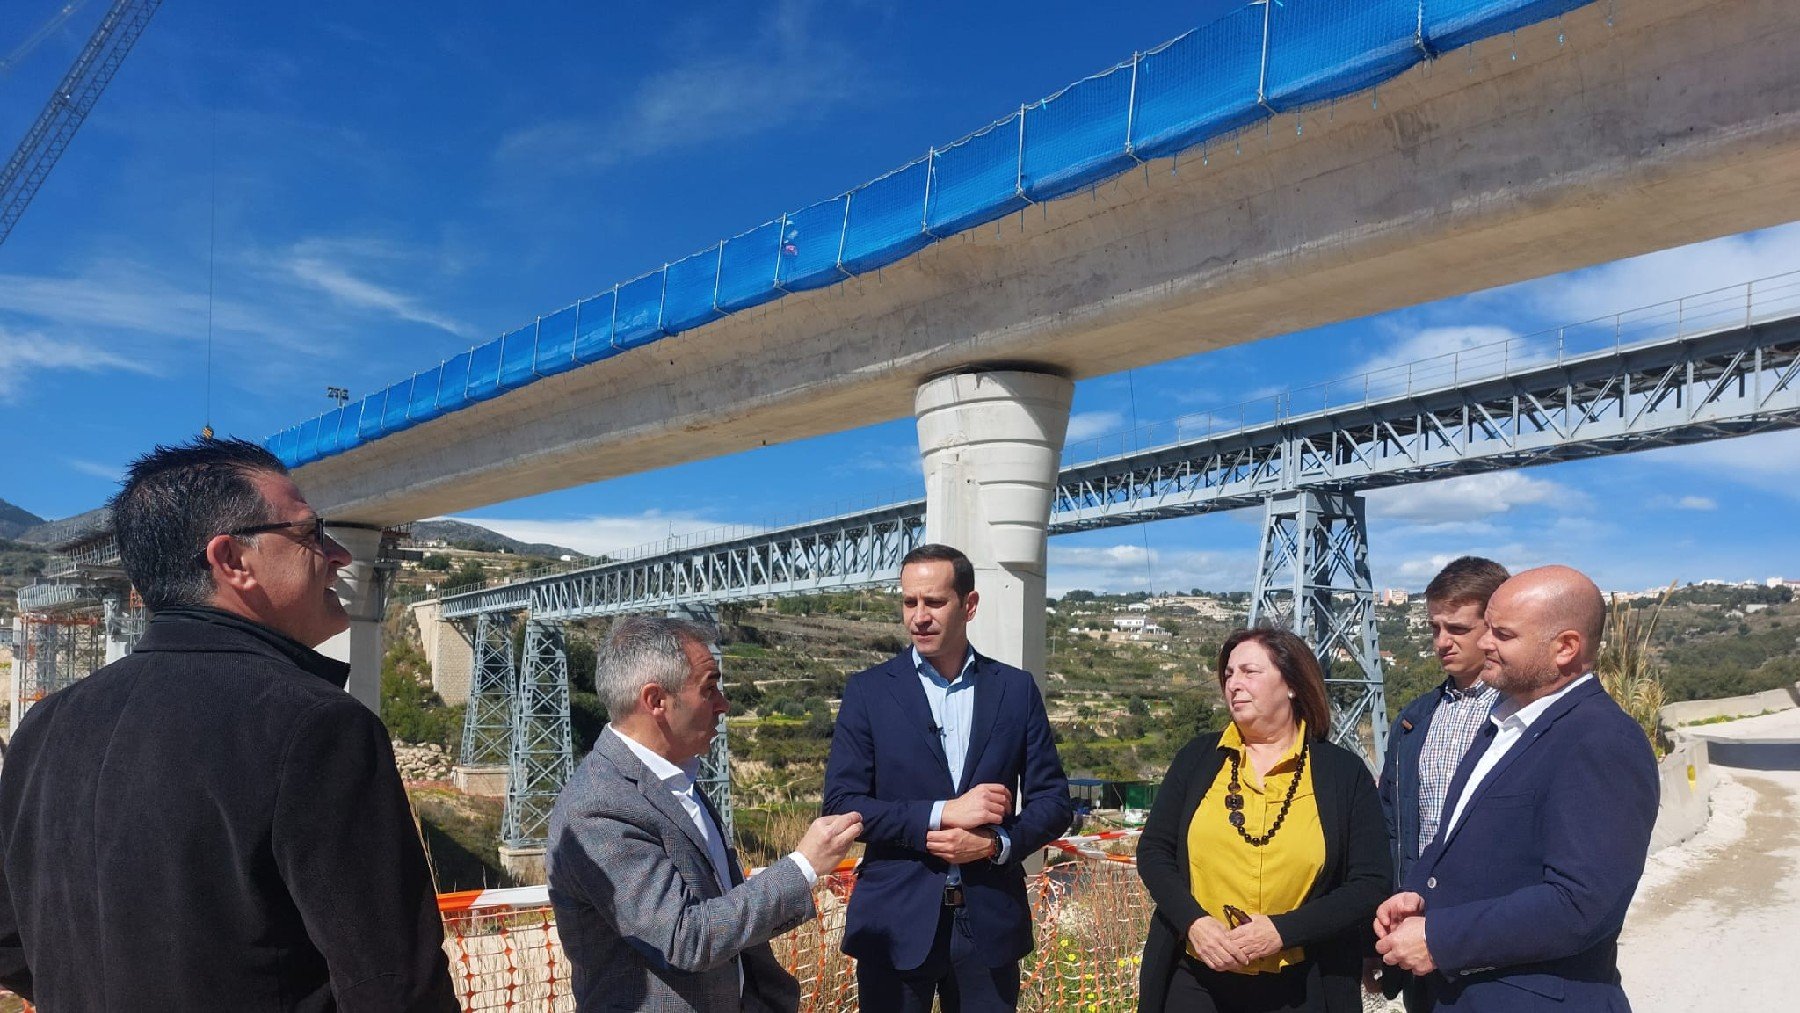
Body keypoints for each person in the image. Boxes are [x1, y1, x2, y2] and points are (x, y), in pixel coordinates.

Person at [0, 438, 456, 1010]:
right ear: (232, 560)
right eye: (311, 534)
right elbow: (396, 985)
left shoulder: (45, 725)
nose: (340, 554)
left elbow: (9, 941)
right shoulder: (317, 726)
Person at [1373, 565, 1658, 1011]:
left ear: (1565, 647)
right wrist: (1419, 898)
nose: (1485, 643)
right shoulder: (1503, 727)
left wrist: (1440, 937)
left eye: (1502, 634)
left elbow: (1582, 904)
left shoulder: (1601, 739)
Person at [547, 615, 863, 1012]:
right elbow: (686, 937)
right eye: (709, 689)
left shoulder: (673, 778)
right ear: (656, 701)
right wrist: (803, 867)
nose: (724, 705)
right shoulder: (599, 806)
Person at [823, 543, 1073, 1013]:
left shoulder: (1015, 691)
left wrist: (996, 843)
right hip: (894, 926)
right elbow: (841, 804)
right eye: (909, 602)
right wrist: (941, 815)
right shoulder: (868, 693)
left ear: (969, 605)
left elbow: (1054, 801)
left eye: (934, 602)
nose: (919, 616)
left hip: (989, 928)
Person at [1138, 627, 1389, 1013]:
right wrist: (1195, 923)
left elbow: (1369, 883)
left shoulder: (1343, 773)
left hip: (1305, 983)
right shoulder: (1198, 759)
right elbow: (1155, 851)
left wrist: (1281, 932)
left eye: (1249, 672)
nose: (1234, 684)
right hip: (1196, 977)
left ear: (1292, 684)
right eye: (1228, 675)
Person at [1373, 557, 1509, 1010]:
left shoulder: (1524, 717)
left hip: (1494, 940)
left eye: (1457, 629)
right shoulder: (1414, 719)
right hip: (1418, 938)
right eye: (1435, 628)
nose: (1442, 642)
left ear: (1494, 628)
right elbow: (1390, 825)